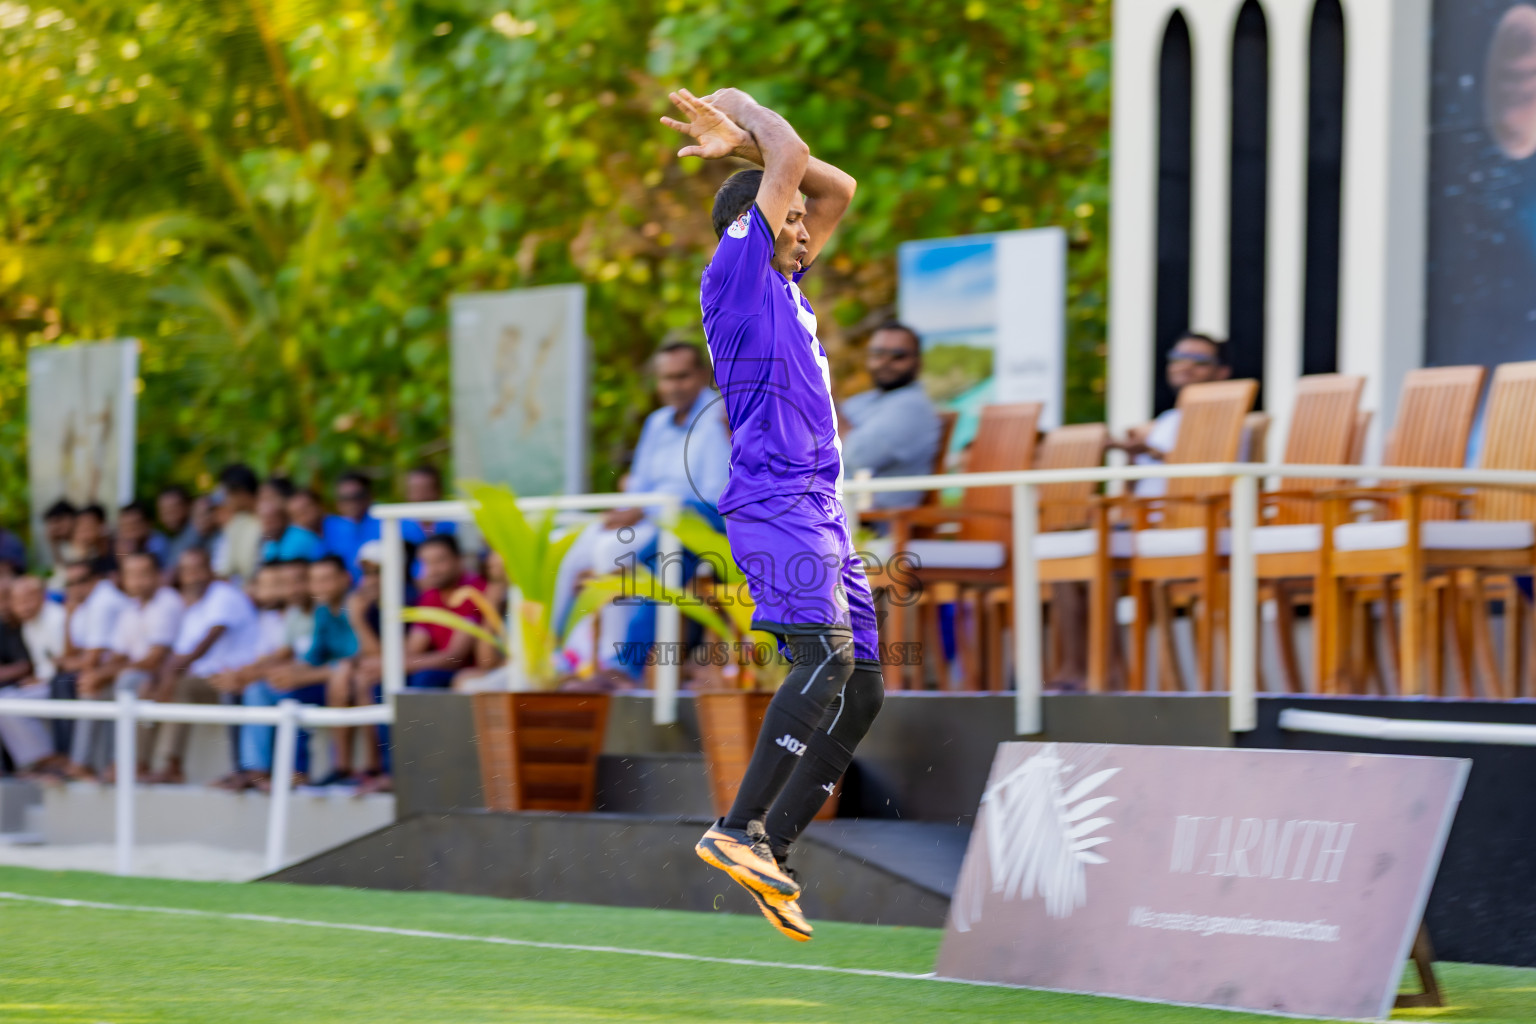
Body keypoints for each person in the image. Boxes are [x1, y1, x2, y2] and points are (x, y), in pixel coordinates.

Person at [663, 86, 879, 942]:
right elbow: (793, 164)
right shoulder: (739, 272)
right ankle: (734, 828)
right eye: (789, 218)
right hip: (774, 498)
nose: (807, 227)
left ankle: (771, 851)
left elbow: (839, 188)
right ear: (756, 222)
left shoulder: (787, 281)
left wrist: (761, 160)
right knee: (822, 660)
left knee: (862, 684)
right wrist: (743, 116)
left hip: (820, 508)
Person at [552, 340, 730, 682]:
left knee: (613, 551)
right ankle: (561, 656)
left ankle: (616, 663)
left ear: (701, 375)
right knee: (565, 544)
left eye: (682, 376)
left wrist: (642, 510)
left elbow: (713, 494)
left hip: (691, 519)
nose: (674, 387)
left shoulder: (716, 417)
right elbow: (639, 485)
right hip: (647, 514)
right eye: (666, 378)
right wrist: (627, 509)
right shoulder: (657, 422)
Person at [246, 556, 364, 786]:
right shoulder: (322, 612)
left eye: (326, 580)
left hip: (352, 681)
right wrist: (285, 674)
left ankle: (308, 771)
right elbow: (312, 658)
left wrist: (300, 677)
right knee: (284, 689)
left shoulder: (353, 606)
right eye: (315, 581)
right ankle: (265, 771)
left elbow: (355, 659)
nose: (319, 587)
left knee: (296, 695)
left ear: (345, 579)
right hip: (333, 679)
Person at [145, 548, 258, 783]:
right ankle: (141, 764)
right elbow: (179, 653)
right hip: (211, 678)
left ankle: (173, 766)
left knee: (181, 686)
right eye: (186, 571)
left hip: (240, 677)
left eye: (198, 569)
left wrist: (171, 674)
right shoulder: (195, 608)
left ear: (210, 571)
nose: (193, 576)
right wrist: (161, 677)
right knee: (146, 688)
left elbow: (205, 644)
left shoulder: (224, 595)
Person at [67, 552, 183, 780]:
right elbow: (119, 655)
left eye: (144, 574)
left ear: (158, 576)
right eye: (131, 575)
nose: (138, 581)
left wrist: (106, 673)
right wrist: (98, 675)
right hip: (136, 674)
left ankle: (121, 762)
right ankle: (81, 762)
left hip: (162, 677)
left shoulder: (168, 601)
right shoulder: (131, 607)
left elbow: (155, 660)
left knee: (125, 681)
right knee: (93, 684)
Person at [1113, 332, 1232, 498]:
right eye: (1178, 358)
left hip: (1195, 518)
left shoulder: (1230, 417)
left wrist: (1150, 450)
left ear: (1222, 372)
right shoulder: (1166, 420)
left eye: (1200, 361)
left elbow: (1206, 472)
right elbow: (1132, 487)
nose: (1186, 366)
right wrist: (1132, 454)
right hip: (1143, 518)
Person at [839, 322, 943, 509]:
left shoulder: (912, 408)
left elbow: (857, 457)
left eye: (898, 356)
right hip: (838, 512)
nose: (885, 362)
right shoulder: (860, 401)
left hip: (875, 524)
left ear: (918, 362)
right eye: (877, 354)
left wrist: (826, 399)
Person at [53, 556, 130, 762]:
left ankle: (77, 761)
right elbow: (71, 652)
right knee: (64, 681)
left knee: (73, 681)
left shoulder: (102, 601)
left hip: (122, 669)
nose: (76, 587)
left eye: (82, 580)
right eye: (70, 583)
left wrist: (71, 663)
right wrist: (69, 615)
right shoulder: (83, 603)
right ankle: (72, 759)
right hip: (109, 668)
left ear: (96, 578)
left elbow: (90, 660)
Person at [0, 576, 67, 774]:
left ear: (42, 596)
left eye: (28, 599)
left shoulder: (57, 618)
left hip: (63, 684)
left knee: (8, 702)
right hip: (44, 682)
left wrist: (40, 678)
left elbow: (63, 663)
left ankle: (46, 759)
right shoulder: (29, 624)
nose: (23, 607)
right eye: (18, 601)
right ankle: (34, 762)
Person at [404, 534, 483, 689]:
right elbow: (414, 648)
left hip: (467, 673)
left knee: (424, 679)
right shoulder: (430, 596)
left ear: (459, 560)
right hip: (435, 668)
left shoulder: (474, 591)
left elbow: (454, 657)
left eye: (440, 561)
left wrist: (401, 665)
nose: (432, 570)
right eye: (426, 563)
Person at [209, 464, 262, 585]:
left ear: (241, 492)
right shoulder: (236, 524)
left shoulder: (268, 520)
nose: (226, 500)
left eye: (227, 494)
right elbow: (225, 570)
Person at [257, 477, 324, 563]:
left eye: (269, 498)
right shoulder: (270, 542)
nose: (265, 505)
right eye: (261, 499)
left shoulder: (301, 537)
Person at [156, 485, 206, 571]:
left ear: (188, 506)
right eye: (164, 511)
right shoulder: (175, 539)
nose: (169, 516)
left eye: (173, 510)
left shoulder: (197, 529)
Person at [403, 466, 458, 539]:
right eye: (414, 490)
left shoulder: (455, 521)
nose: (420, 497)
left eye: (426, 490)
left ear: (439, 491)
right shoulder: (396, 524)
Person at [284, 489, 327, 559]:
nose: (305, 516)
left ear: (320, 506)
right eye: (298, 514)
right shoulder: (294, 542)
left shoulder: (342, 527)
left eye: (307, 509)